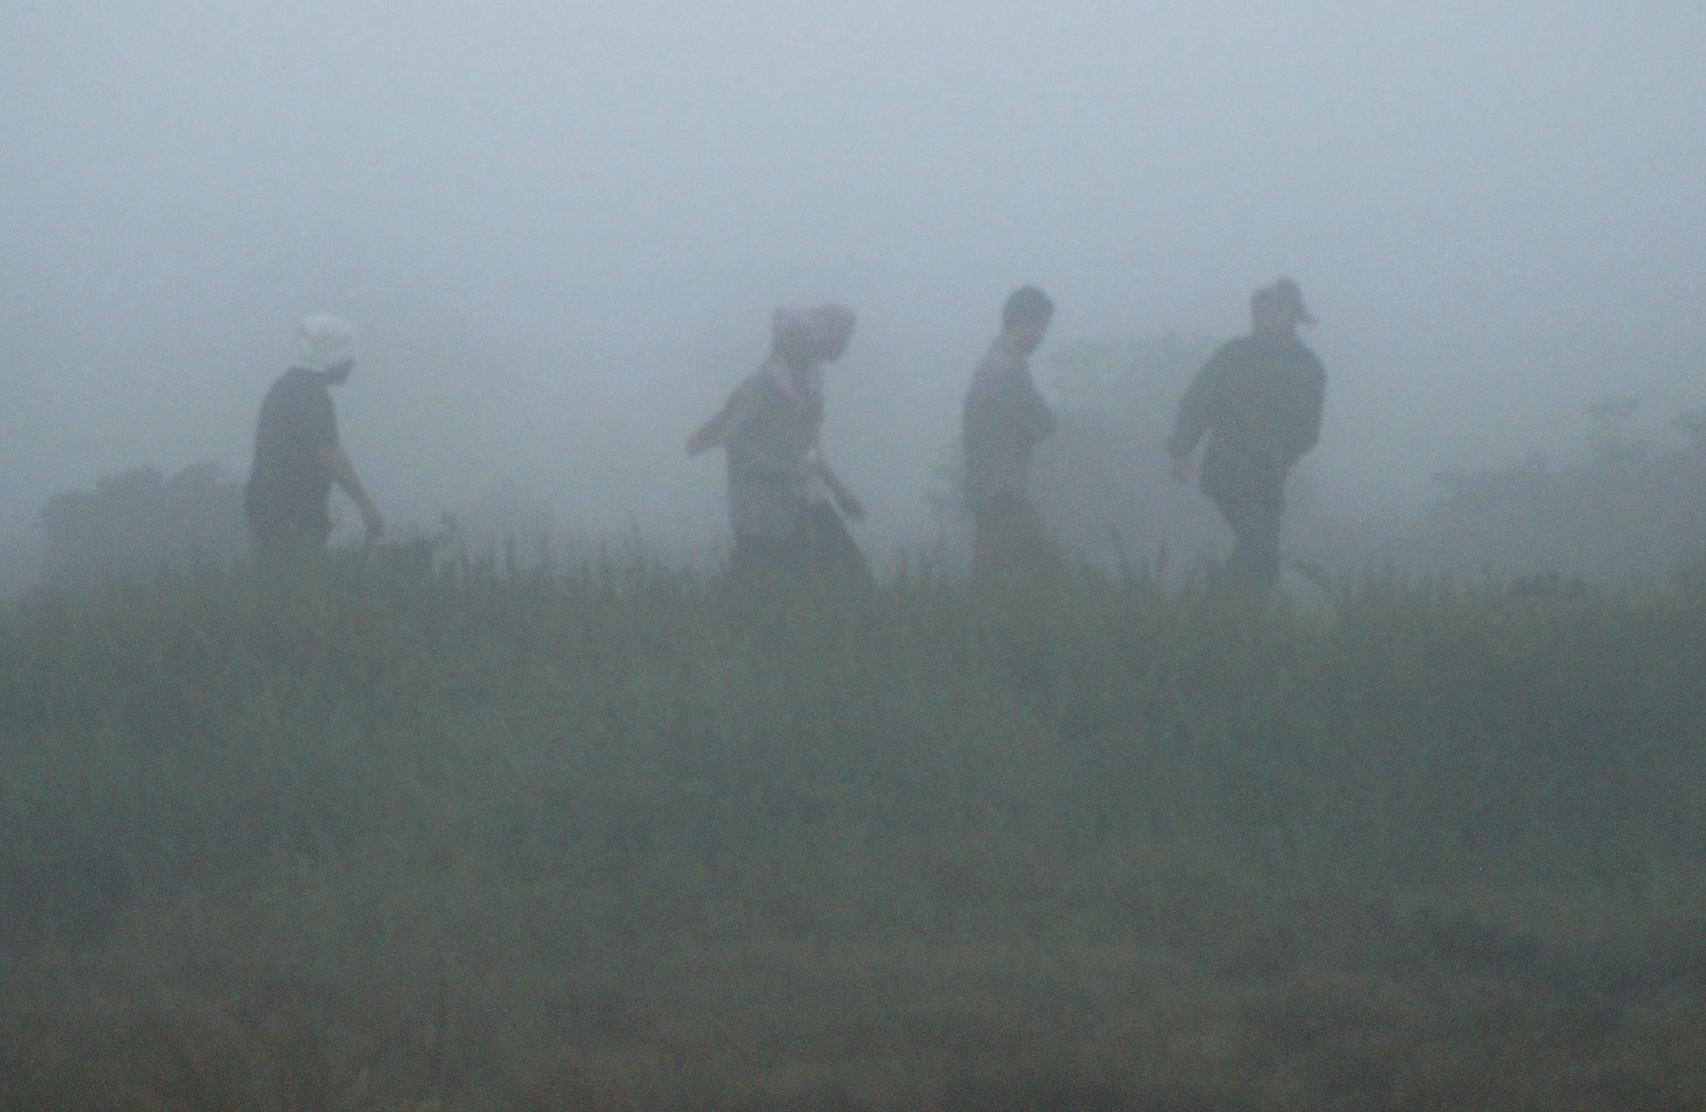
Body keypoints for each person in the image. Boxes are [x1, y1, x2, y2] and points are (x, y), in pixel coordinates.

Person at [687, 303, 869, 585]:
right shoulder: (760, 386)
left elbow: (810, 449)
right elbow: (736, 445)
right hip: (760, 513)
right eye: (840, 340)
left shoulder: (810, 385)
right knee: (765, 590)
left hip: (798, 503)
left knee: (848, 579)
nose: (844, 348)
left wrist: (840, 492)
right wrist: (787, 471)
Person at [1166, 278, 1325, 596]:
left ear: (1295, 314)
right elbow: (1199, 402)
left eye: (1277, 309)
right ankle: (1211, 615)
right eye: (1260, 311)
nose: (1265, 318)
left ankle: (1238, 627)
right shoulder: (1234, 355)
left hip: (1270, 478)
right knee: (1261, 544)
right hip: (1227, 470)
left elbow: (1309, 430)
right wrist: (1182, 450)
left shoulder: (1309, 368)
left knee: (1266, 565)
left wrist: (1282, 455)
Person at [243, 313, 383, 554]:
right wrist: (366, 506)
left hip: (269, 507)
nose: (352, 364)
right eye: (347, 356)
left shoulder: (288, 387)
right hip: (292, 512)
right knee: (299, 581)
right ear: (332, 355)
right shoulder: (310, 395)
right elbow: (329, 452)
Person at [962, 285, 1059, 582]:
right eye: (1041, 326)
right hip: (1002, 491)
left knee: (998, 579)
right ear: (1026, 321)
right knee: (1037, 579)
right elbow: (1043, 424)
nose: (1042, 336)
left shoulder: (995, 366)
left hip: (993, 489)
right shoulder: (1006, 371)